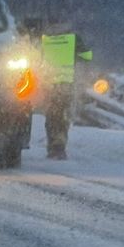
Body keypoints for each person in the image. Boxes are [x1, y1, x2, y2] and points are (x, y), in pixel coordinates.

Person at [40, 31, 92, 159]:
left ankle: (51, 145)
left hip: (48, 85)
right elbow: (87, 56)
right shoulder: (73, 38)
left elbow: (35, 57)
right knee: (62, 116)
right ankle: (59, 147)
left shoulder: (44, 38)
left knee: (51, 116)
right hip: (65, 85)